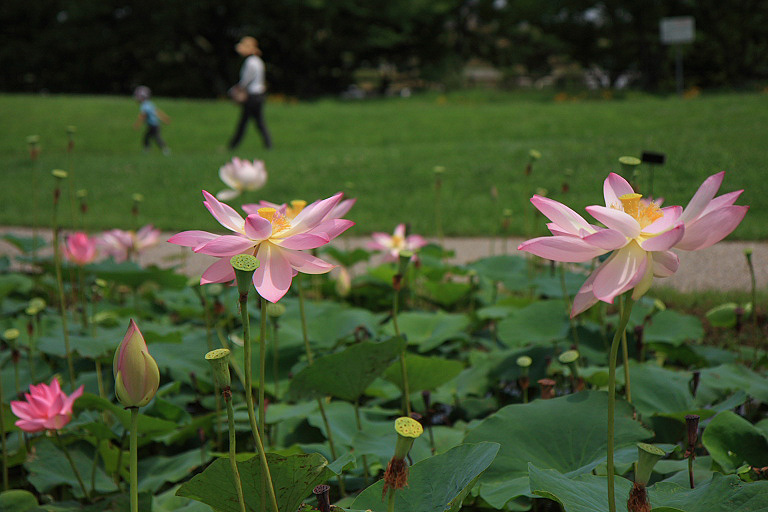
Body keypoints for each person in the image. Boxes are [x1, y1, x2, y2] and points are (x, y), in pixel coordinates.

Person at [228, 36, 272, 150]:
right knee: (258, 122)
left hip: (252, 95)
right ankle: (268, 145)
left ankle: (233, 146)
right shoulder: (258, 61)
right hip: (259, 94)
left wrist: (237, 89)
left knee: (244, 122)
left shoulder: (250, 62)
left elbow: (246, 80)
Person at [133, 86, 170, 155]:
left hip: (153, 125)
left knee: (156, 138)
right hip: (154, 125)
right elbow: (157, 112)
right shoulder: (149, 104)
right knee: (147, 137)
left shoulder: (144, 105)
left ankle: (165, 150)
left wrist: (138, 124)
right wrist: (164, 118)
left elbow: (143, 116)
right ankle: (148, 149)